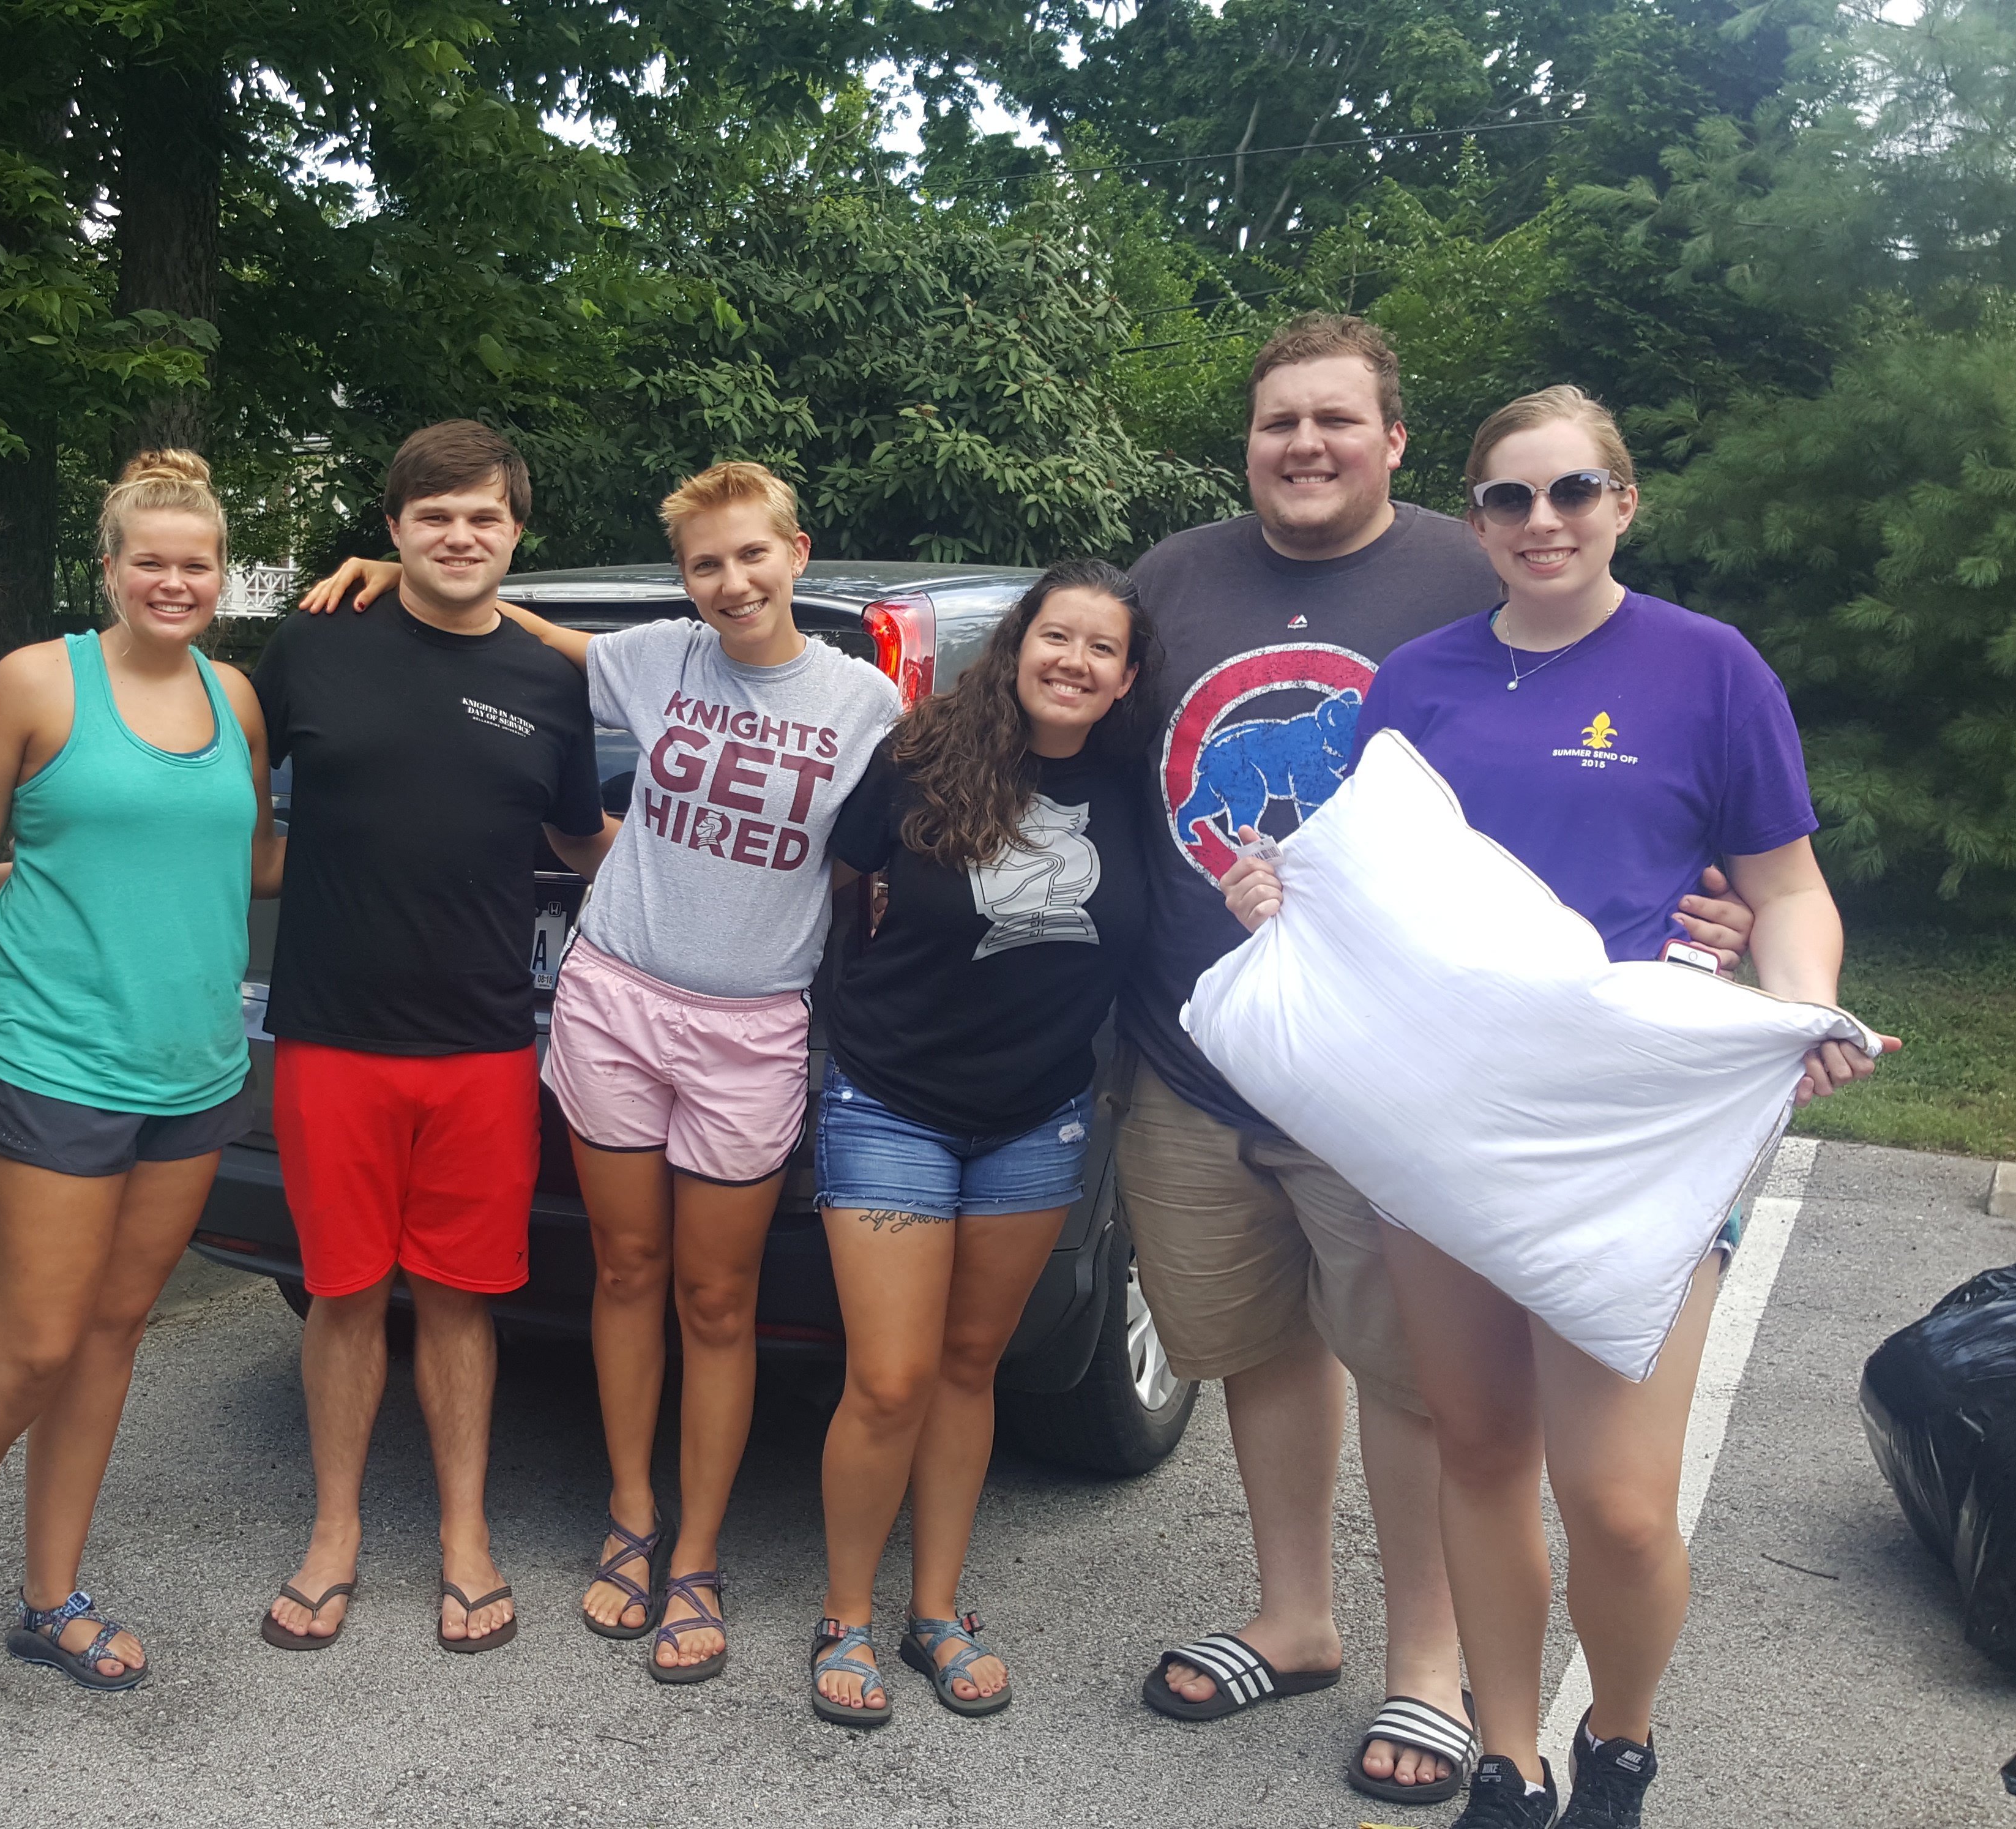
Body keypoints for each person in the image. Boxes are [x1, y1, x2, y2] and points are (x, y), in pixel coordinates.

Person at [1219, 384, 1884, 1828]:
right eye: (1512, 500)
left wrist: (1793, 1013)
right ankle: (1509, 1756)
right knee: (1477, 1452)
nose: (1543, 523)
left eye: (1573, 492)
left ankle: (1621, 1743)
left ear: (1621, 503)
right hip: (1446, 1128)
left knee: (1621, 1501)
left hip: (1634, 1132)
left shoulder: (1708, 669)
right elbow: (1365, 893)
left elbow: (1783, 892)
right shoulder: (1418, 682)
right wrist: (1274, 895)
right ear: (1477, 519)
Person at [1119, 316, 1755, 1807]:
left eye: (1336, 419)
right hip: (1202, 1050)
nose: (1305, 444)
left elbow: (1629, 754)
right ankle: (1296, 1619)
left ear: (1399, 443)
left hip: (1404, 1078)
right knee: (1261, 1348)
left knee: (1419, 1387)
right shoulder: (1174, 577)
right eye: (1279, 420)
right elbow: (1075, 716)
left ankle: (1430, 1673)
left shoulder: (1474, 575)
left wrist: (1722, 921)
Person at [299, 462, 902, 1684]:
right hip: (618, 997)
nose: (731, 581)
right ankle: (631, 1519)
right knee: (625, 1271)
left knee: (717, 1303)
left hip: (751, 1024)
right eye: (704, 564)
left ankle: (697, 1553)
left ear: (797, 552)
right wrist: (390, 568)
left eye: (751, 555)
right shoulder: (657, 661)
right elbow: (524, 630)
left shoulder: (866, 704)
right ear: (682, 581)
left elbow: (887, 856)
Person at [0, 452, 282, 1705]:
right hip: (48, 1056)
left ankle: (53, 1595)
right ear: (107, 569)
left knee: (110, 1334)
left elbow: (253, 861)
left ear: (221, 577)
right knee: (27, 1349)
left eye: (194, 564)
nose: (172, 580)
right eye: (147, 560)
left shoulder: (239, 699)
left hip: (194, 1068)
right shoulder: (37, 683)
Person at [252, 421, 616, 1656]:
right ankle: (336, 1533)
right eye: (434, 515)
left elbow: (583, 849)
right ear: (395, 526)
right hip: (330, 1036)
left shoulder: (550, 680)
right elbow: (236, 823)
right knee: (344, 1296)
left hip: (479, 1041)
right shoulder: (310, 642)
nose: (460, 536)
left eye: (484, 518)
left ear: (515, 534)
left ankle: (466, 1533)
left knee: (462, 1301)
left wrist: (743, 863)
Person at [803, 559, 1155, 1726]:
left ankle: (936, 1613)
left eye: (1101, 649)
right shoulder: (922, 756)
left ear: (1127, 678)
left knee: (968, 1368)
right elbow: (847, 881)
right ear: (1017, 645)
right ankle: (844, 1616)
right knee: (890, 1377)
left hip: (1036, 1118)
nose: (1075, 662)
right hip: (890, 1098)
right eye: (1058, 637)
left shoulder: (1140, 788)